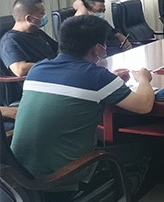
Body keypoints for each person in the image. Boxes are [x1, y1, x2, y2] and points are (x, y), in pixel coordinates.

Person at [10, 15, 155, 201]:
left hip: (18, 179)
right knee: (142, 151)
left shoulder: (38, 69)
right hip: (59, 181)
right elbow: (144, 105)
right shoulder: (97, 77)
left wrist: (110, 81)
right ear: (98, 49)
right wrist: (143, 79)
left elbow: (74, 84)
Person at [0, 0, 58, 77]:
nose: (44, 16)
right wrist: (52, 64)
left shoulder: (37, 32)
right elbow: (20, 69)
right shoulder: (10, 41)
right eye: (42, 13)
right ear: (29, 19)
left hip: (54, 75)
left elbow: (58, 50)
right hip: (37, 81)